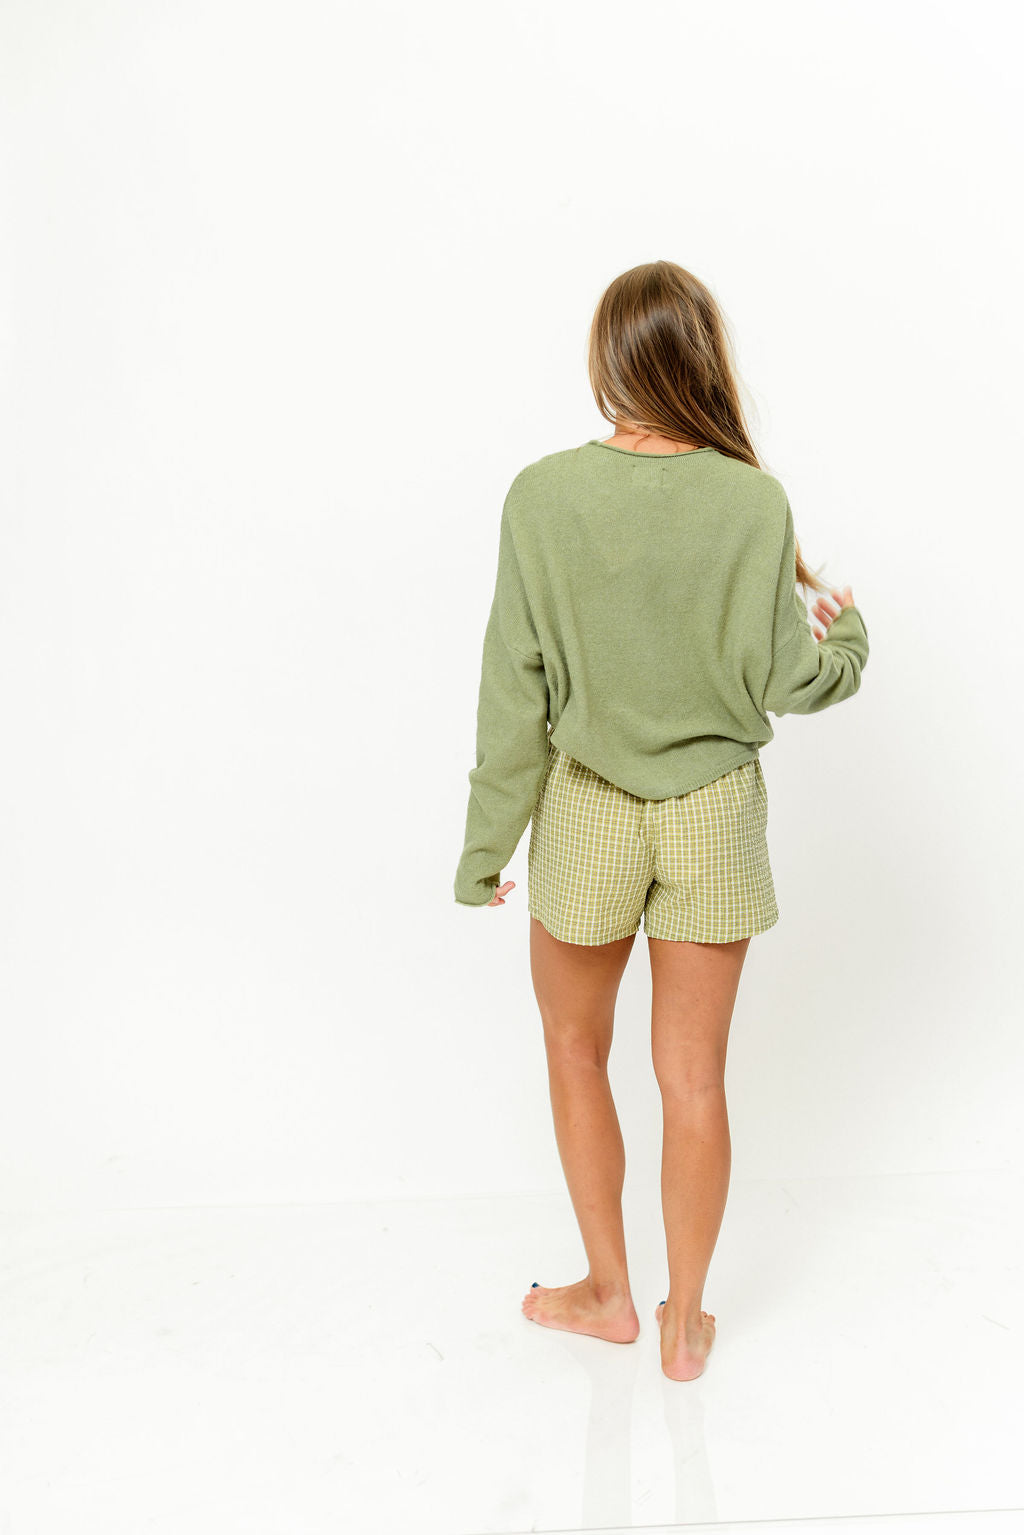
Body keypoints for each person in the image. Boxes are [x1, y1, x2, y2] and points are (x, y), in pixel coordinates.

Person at [452, 260, 869, 1381]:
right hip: (713, 815)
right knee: (693, 1080)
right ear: (702, 357)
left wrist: (485, 848)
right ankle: (685, 1325)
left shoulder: (542, 496)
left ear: (608, 360)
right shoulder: (752, 502)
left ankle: (608, 1294)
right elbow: (792, 679)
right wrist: (850, 637)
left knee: (573, 1049)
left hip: (588, 808)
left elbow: (514, 694)